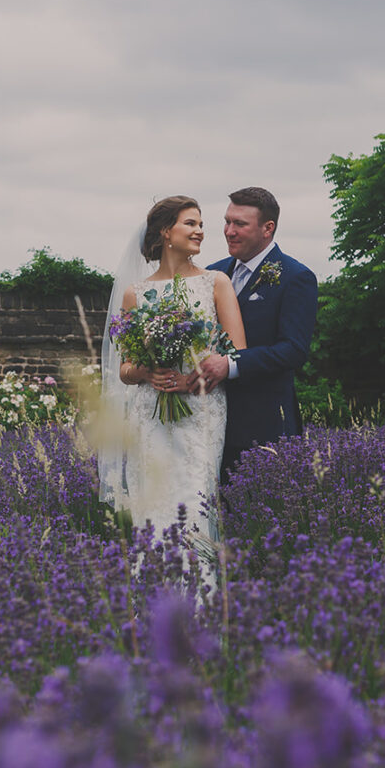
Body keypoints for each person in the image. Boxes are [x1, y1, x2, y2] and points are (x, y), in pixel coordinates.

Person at [98, 196, 246, 543]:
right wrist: (148, 373)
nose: (200, 231)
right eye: (190, 223)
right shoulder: (136, 293)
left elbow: (238, 353)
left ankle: (197, 592)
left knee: (195, 504)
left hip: (200, 411)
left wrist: (192, 379)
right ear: (166, 232)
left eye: (201, 225)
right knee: (153, 505)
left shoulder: (216, 283)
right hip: (150, 415)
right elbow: (125, 370)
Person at [191, 187, 318, 480]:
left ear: (267, 228)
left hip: (263, 426)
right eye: (227, 221)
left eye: (240, 224)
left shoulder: (295, 277)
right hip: (208, 420)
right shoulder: (212, 273)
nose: (229, 231)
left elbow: (293, 349)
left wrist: (231, 365)